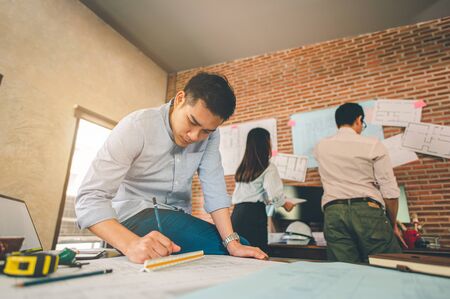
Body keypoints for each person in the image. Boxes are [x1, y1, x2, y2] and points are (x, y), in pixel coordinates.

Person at [75, 72, 267, 263]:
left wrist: (233, 244)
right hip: (133, 214)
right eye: (192, 122)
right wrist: (130, 244)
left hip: (175, 214)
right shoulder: (137, 127)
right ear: (180, 99)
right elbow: (89, 198)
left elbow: (214, 188)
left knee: (238, 244)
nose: (194, 136)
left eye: (206, 131)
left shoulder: (211, 136)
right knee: (220, 250)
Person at [313, 102, 407, 263]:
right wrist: (392, 224)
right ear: (359, 119)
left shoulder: (320, 147)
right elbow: (389, 190)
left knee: (343, 271)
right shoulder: (373, 144)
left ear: (338, 123)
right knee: (386, 266)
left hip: (333, 213)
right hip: (367, 210)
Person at [231, 128, 294, 253]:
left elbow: (252, 192)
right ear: (265, 143)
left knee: (240, 254)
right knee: (258, 254)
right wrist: (286, 204)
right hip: (253, 215)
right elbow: (275, 195)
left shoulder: (243, 167)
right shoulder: (268, 167)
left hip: (237, 214)